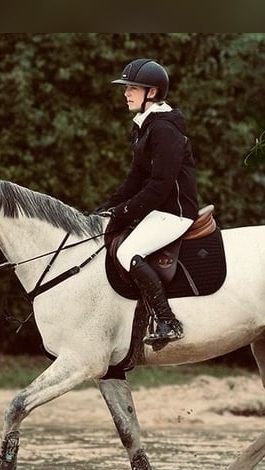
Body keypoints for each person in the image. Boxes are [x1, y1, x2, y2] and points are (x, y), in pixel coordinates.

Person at [97, 58, 199, 346]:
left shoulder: (164, 129)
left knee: (127, 252)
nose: (126, 93)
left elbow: (160, 186)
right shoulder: (145, 127)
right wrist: (106, 208)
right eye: (126, 87)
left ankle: (167, 320)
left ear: (151, 93)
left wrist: (122, 213)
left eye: (132, 88)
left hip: (175, 213)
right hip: (160, 210)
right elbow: (135, 180)